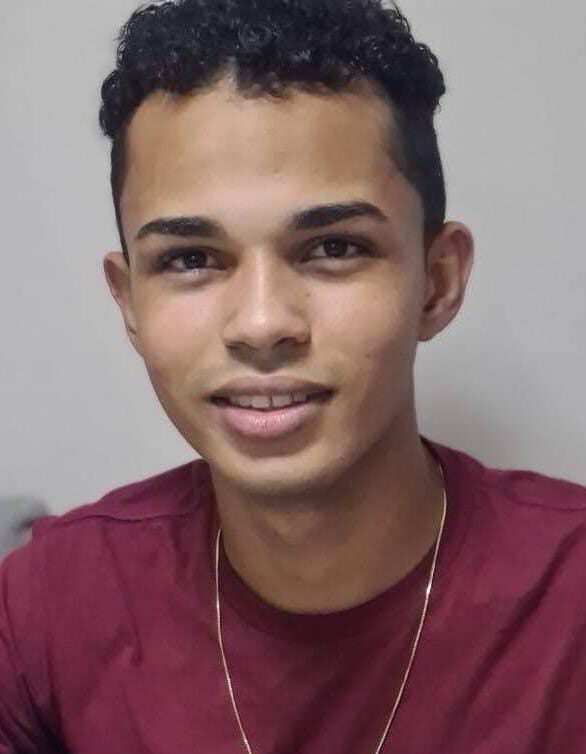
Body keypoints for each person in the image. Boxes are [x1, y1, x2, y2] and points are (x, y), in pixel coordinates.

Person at [1, 0, 585, 751]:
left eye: (334, 247)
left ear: (436, 283)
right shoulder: (49, 606)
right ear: (130, 302)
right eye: (190, 259)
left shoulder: (568, 599)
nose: (261, 323)